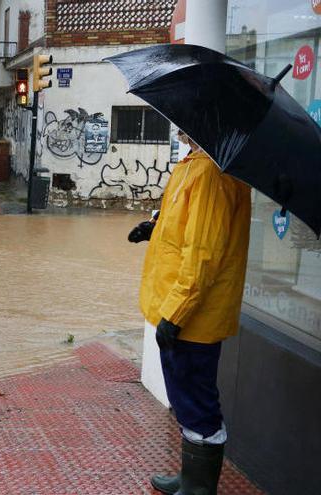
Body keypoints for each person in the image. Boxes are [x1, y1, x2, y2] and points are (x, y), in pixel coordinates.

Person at [131, 129, 251, 495]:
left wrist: (176, 314)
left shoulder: (212, 173)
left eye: (184, 120)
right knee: (185, 398)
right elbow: (184, 228)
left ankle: (199, 488)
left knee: (197, 401)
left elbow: (203, 255)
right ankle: (190, 477)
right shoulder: (192, 164)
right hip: (179, 309)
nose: (177, 127)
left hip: (192, 318)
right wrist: (154, 227)